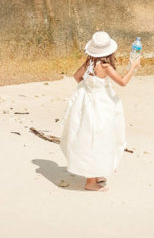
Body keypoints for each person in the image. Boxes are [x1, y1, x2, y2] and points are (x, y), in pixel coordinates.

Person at [60, 31, 141, 191]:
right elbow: (123, 82)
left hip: (87, 103)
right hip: (100, 105)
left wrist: (90, 85)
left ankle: (95, 174)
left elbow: (76, 77)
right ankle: (90, 182)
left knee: (89, 136)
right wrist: (133, 67)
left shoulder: (89, 62)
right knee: (98, 138)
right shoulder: (105, 66)